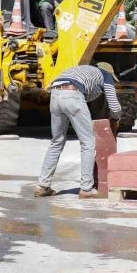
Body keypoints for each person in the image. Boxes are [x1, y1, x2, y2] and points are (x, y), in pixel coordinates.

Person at [34, 62, 121, 198]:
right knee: (88, 142)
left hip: (55, 94)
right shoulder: (106, 75)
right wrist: (115, 119)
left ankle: (42, 185)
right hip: (73, 94)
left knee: (56, 141)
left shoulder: (81, 70)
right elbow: (114, 106)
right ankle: (86, 188)